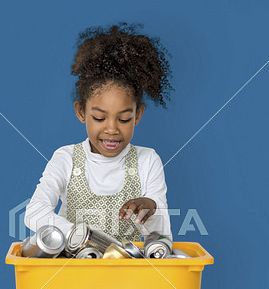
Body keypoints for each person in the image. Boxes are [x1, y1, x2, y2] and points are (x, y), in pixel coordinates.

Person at [24, 22, 175, 243]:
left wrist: (151, 209)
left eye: (124, 119)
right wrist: (84, 236)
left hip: (131, 277)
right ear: (81, 112)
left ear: (138, 115)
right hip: (74, 273)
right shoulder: (66, 159)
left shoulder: (147, 161)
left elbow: (162, 238)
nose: (112, 129)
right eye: (99, 118)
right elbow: (34, 212)